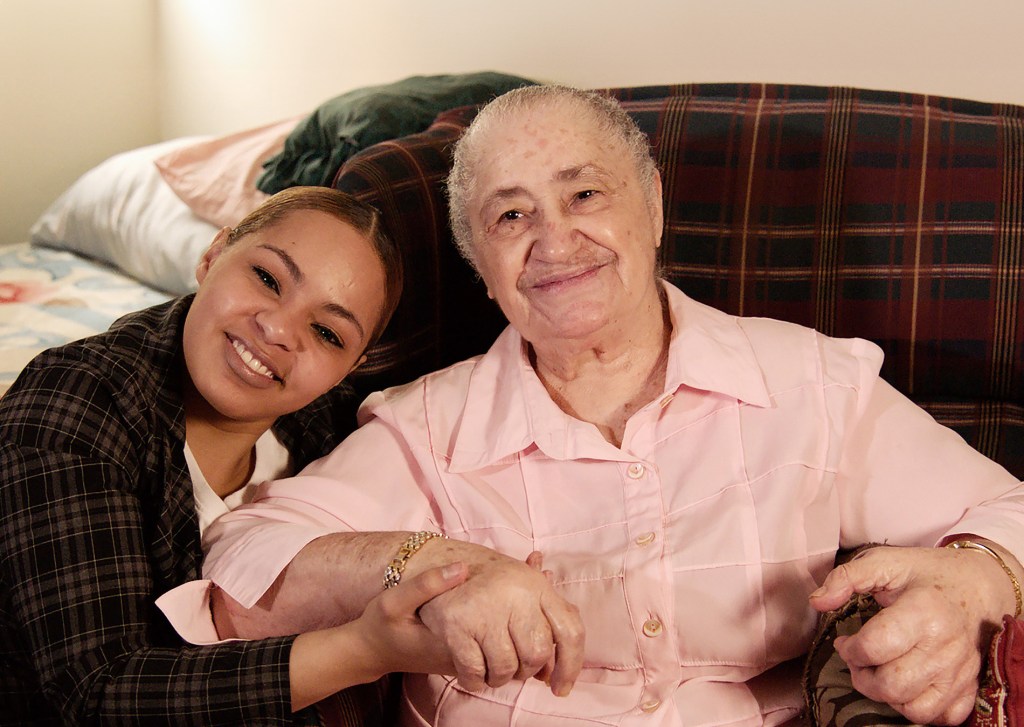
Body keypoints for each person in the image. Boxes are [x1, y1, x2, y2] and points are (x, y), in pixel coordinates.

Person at [160, 87, 1024, 726]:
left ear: (650, 204)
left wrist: (972, 577)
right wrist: (423, 561)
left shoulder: (810, 386)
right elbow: (241, 572)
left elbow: (1012, 507)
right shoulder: (426, 427)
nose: (554, 240)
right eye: (510, 216)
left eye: (585, 194)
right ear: (483, 266)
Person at [0, 186, 472, 726]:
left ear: (350, 367)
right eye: (268, 279)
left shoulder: (331, 430)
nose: (277, 330)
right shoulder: (75, 402)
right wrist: (364, 651)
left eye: (326, 332)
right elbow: (99, 693)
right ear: (212, 254)